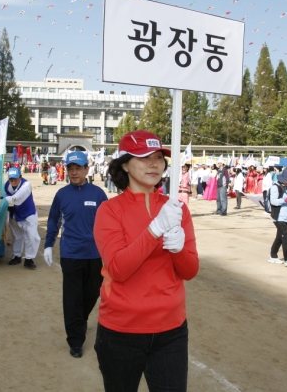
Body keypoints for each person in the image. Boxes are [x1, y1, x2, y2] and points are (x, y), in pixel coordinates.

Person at [93, 130, 198, 392]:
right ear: (125, 164)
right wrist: (154, 230)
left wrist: (177, 249)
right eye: (143, 157)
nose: (154, 164)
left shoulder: (176, 208)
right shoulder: (110, 210)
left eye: (159, 157)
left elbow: (190, 270)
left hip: (171, 330)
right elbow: (118, 269)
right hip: (121, 331)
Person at [43, 151, 108, 359]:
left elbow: (109, 226)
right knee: (72, 299)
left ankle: (79, 322)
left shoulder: (98, 194)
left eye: (78, 168)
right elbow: (53, 220)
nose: (73, 172)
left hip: (95, 255)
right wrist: (48, 244)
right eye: (70, 168)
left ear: (87, 170)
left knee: (90, 295)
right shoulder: (62, 195)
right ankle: (75, 340)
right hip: (71, 254)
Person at [4, 167, 41, 269]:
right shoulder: (6, 185)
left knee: (31, 236)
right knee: (16, 236)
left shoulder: (26, 185)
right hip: (14, 215)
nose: (13, 181)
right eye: (11, 179)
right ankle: (16, 256)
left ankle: (29, 259)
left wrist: (7, 199)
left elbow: (17, 197)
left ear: (20, 177)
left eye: (15, 178)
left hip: (28, 214)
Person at [268, 168, 287, 268]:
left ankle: (273, 255)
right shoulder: (275, 187)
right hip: (278, 216)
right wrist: (285, 200)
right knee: (286, 236)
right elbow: (273, 201)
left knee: (280, 237)